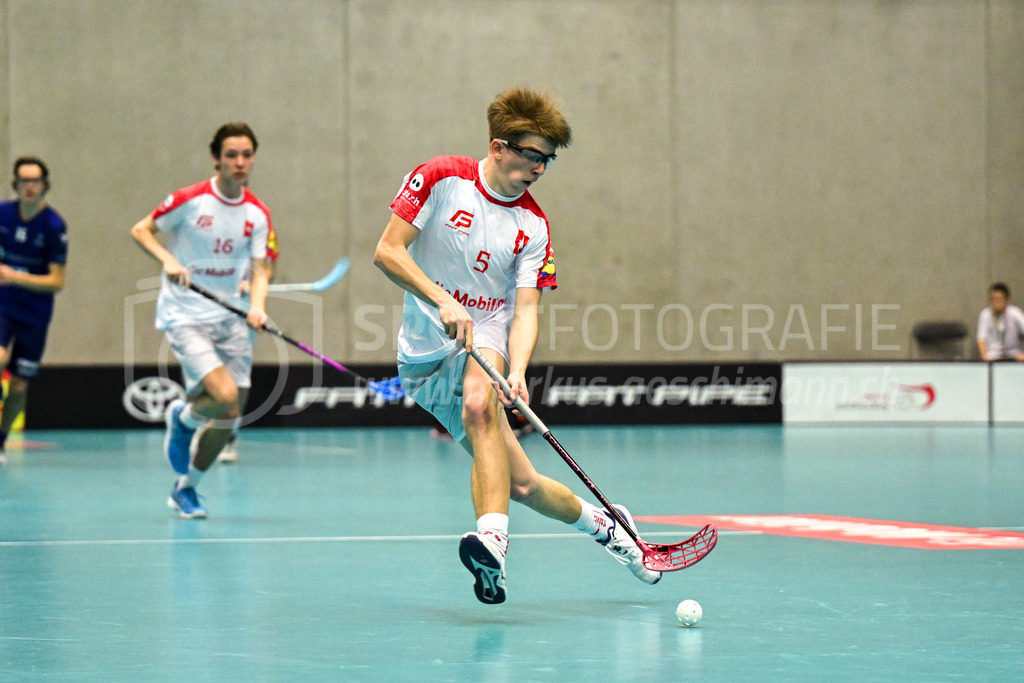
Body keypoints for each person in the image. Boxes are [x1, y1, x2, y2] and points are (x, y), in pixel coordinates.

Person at [373, 86, 660, 605]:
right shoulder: (439, 177)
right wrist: (440, 298)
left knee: (481, 403)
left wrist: (519, 369)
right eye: (532, 155)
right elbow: (387, 251)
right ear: (498, 146)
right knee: (523, 485)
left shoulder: (533, 225)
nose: (540, 168)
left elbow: (525, 309)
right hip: (422, 357)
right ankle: (612, 528)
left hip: (484, 337)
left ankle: (493, 547)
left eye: (548, 159)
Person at [130, 122, 272, 518]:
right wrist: (169, 260)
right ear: (216, 159)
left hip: (231, 317)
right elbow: (141, 230)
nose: (240, 162)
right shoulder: (190, 199)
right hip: (186, 312)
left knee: (230, 414)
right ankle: (181, 418)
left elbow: (261, 269)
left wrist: (257, 305)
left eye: (246, 155)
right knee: (224, 396)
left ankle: (185, 488)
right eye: (231, 155)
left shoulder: (256, 213)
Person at [0, 157, 69, 466]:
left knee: (18, 385)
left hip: (35, 314)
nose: (29, 187)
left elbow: (57, 281)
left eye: (35, 181)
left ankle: (1, 439)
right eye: (24, 181)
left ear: (44, 185)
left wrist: (17, 276)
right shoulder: (2, 214)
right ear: (16, 184)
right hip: (3, 305)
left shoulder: (54, 226)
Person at [218, 223, 279, 464]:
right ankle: (200, 424)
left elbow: (268, 268)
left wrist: (252, 285)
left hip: (244, 307)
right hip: (208, 306)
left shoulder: (262, 228)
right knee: (207, 370)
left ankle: (229, 436)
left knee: (237, 374)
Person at [977, 282, 1024, 361]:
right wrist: (984, 357)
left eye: (999, 299)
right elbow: (981, 339)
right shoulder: (985, 315)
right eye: (992, 299)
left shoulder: (1015, 313)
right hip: (993, 356)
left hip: (1014, 354)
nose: (995, 302)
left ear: (1007, 301)